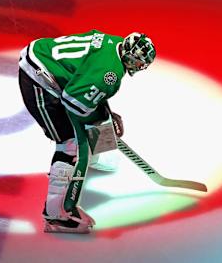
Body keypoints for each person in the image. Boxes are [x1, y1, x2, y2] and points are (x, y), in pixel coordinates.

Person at [18, 29, 156, 233]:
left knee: (97, 118)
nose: (139, 66)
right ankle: (56, 216)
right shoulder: (110, 75)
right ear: (130, 56)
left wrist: (105, 113)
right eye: (138, 62)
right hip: (38, 80)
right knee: (70, 144)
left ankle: (92, 156)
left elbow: (87, 79)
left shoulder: (116, 43)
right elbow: (73, 104)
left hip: (45, 59)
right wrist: (102, 117)